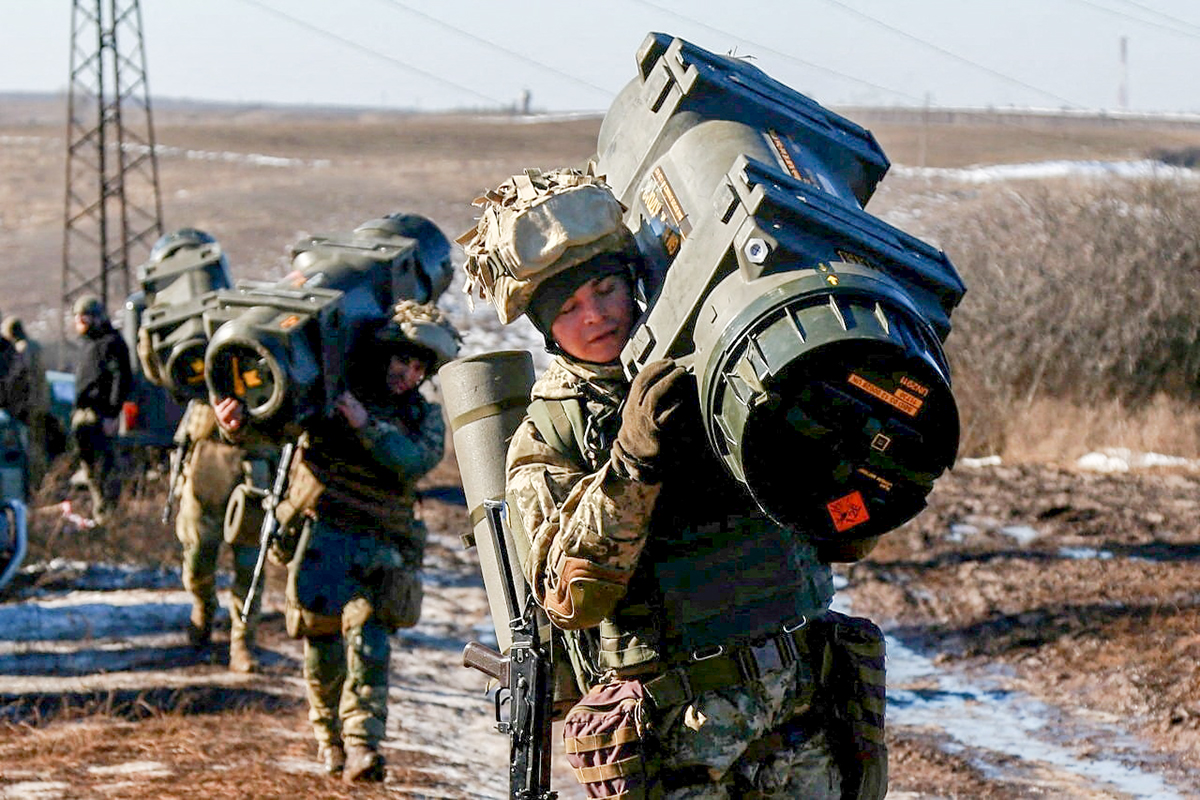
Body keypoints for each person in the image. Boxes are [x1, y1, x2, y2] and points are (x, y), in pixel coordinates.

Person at [460, 169, 887, 799]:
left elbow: (845, 539)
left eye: (606, 289)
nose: (598, 315)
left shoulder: (728, 372)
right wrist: (633, 464)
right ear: (548, 331)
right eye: (570, 308)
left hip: (799, 714)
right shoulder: (549, 435)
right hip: (677, 742)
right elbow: (571, 596)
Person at [214, 300, 460, 783]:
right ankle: (329, 740)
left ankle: (363, 745)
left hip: (381, 541)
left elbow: (412, 461)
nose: (407, 374)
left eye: (416, 367)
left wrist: (365, 425)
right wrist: (238, 426)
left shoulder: (422, 417)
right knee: (322, 645)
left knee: (370, 639)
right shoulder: (328, 393)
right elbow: (278, 432)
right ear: (383, 354)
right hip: (322, 535)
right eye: (401, 361)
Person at [70, 294, 133, 524]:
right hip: (84, 414)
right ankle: (100, 513)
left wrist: (111, 414)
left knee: (105, 467)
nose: (79, 324)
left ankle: (109, 517)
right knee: (91, 469)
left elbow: (121, 379)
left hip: (101, 415)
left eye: (83, 319)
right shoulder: (89, 344)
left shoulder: (111, 342)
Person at [0, 315, 47, 491]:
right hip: (39, 403)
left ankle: (35, 483)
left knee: (30, 446)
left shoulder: (22, 349)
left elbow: (21, 377)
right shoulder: (35, 346)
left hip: (28, 405)